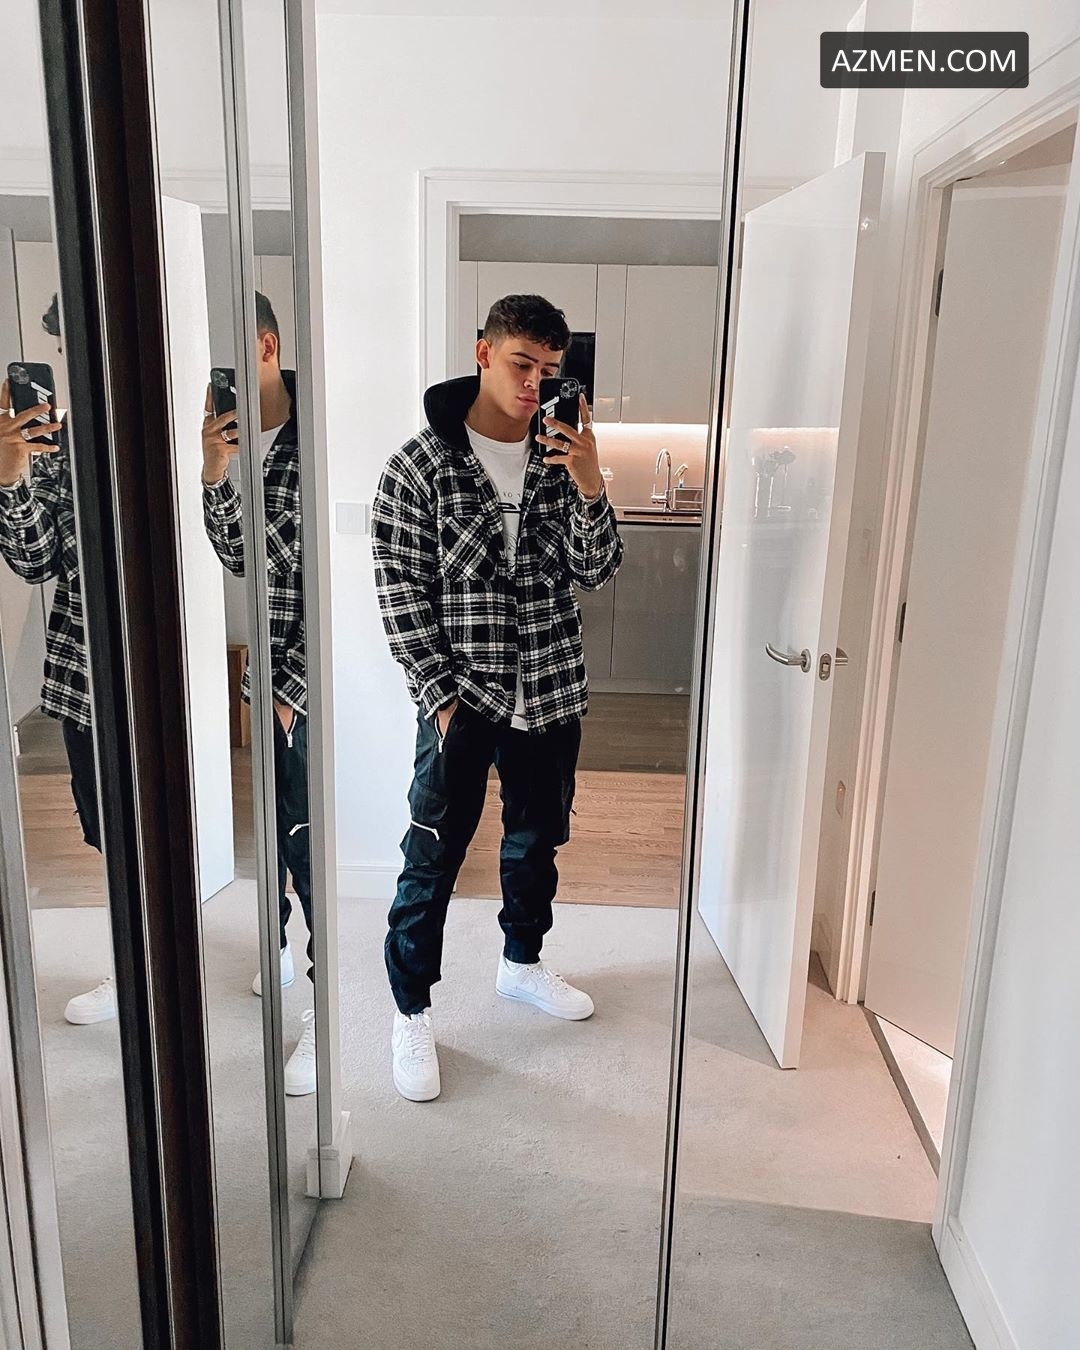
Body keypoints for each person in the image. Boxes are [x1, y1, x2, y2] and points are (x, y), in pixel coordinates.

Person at [372, 293, 623, 1102]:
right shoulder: (419, 467)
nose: (533, 384)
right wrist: (440, 698)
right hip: (463, 697)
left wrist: (589, 482)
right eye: (521, 363)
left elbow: (596, 570)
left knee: (537, 839)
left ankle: (521, 962)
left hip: (550, 691)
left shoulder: (561, 458)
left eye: (548, 370)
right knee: (433, 854)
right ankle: (411, 1009)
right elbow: (400, 593)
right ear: (482, 352)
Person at [201, 290, 316, 1096]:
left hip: (311, 683)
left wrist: (290, 686)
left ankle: (322, 1005)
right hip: (266, 677)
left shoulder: (318, 428)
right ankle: (273, 948)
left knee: (310, 843)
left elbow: (335, 568)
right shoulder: (234, 438)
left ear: (267, 347)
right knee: (270, 827)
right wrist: (215, 474)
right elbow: (241, 559)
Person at [0, 304, 114, 1026]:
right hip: (87, 675)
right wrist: (11, 478)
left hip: (176, 674)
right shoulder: (52, 444)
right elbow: (37, 561)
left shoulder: (182, 430)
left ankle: (272, 941)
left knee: (185, 824)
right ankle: (133, 963)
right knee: (108, 829)